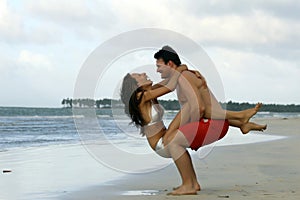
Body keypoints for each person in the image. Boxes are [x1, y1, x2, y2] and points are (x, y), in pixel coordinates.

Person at [120, 68, 266, 194]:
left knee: (197, 108)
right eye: (139, 75)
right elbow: (170, 85)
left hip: (166, 136)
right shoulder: (141, 96)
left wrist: (185, 71)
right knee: (191, 104)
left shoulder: (149, 92)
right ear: (136, 86)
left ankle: (192, 183)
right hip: (161, 144)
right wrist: (181, 72)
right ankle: (239, 118)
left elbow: (172, 80)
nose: (144, 73)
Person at [152, 45, 266, 195]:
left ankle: (189, 185)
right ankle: (191, 183)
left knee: (174, 142)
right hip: (216, 122)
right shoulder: (184, 75)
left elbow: (199, 109)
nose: (157, 70)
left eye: (159, 66)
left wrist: (175, 129)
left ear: (170, 64)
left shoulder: (184, 77)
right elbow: (205, 108)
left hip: (214, 125)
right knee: (176, 140)